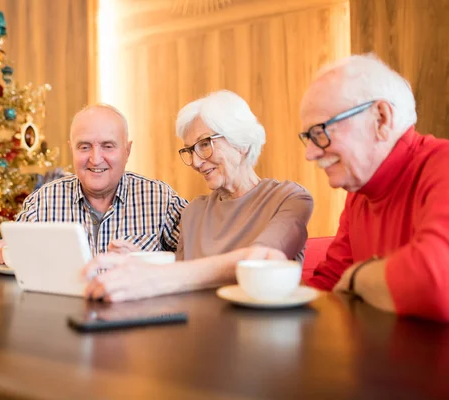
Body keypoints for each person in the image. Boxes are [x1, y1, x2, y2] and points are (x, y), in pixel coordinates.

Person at [256, 53, 449, 322]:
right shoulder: (358, 195)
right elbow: (331, 286)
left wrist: (359, 276)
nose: (310, 154)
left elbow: (436, 283)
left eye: (320, 132)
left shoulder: (442, 163)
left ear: (381, 118)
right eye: (308, 138)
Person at [82, 90, 313, 302]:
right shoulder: (194, 212)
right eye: (190, 150)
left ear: (241, 142)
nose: (196, 161)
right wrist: (144, 262)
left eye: (204, 144)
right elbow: (182, 284)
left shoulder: (289, 199)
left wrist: (157, 273)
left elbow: (262, 260)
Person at [0, 104, 188, 267]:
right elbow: (10, 261)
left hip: (138, 318)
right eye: (84, 147)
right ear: (72, 149)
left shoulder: (160, 199)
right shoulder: (41, 203)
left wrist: (146, 264)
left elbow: (196, 261)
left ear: (127, 150)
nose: (95, 159)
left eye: (108, 146)